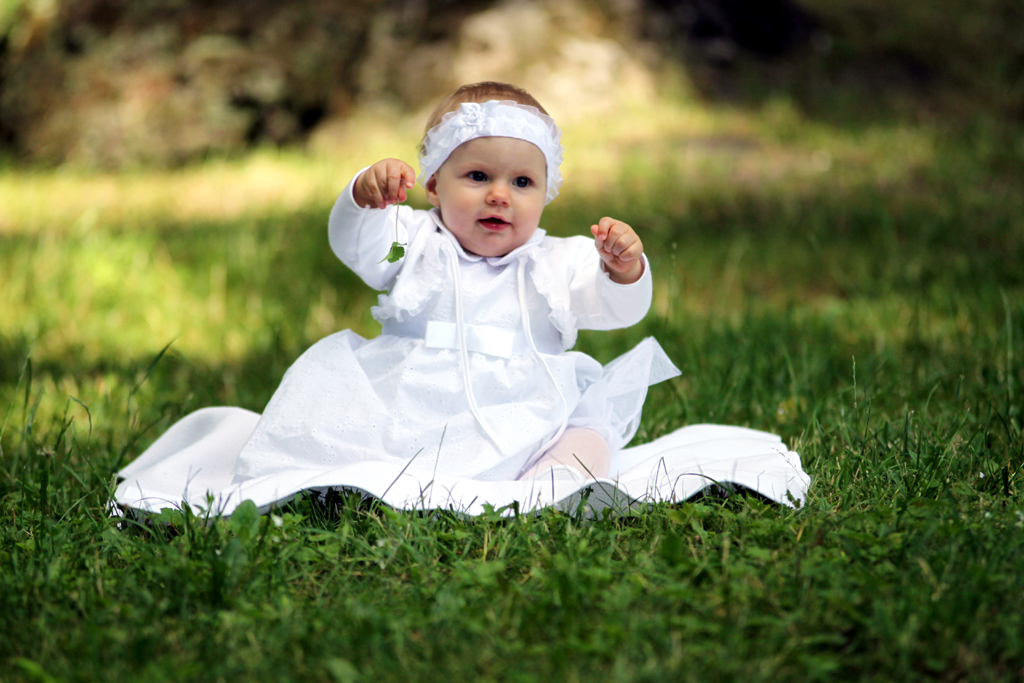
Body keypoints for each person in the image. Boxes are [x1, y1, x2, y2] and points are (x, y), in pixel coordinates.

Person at [114, 82, 809, 517]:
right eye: (477, 175)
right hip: (414, 403)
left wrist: (624, 269)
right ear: (434, 185)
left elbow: (611, 307)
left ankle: (547, 484)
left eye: (522, 183)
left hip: (526, 412)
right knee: (359, 444)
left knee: (590, 434)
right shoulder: (414, 245)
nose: (499, 195)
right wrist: (364, 194)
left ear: (547, 194)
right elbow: (361, 246)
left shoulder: (554, 260)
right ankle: (376, 477)